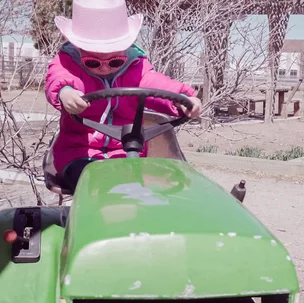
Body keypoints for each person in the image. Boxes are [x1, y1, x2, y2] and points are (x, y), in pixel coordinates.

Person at [45, 0, 202, 192]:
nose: (104, 67)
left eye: (115, 61)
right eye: (93, 62)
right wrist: (65, 92)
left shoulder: (136, 67)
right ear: (78, 50)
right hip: (78, 153)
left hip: (128, 151)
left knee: (156, 188)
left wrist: (182, 98)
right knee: (99, 184)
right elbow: (59, 78)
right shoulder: (67, 64)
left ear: (125, 51)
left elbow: (156, 83)